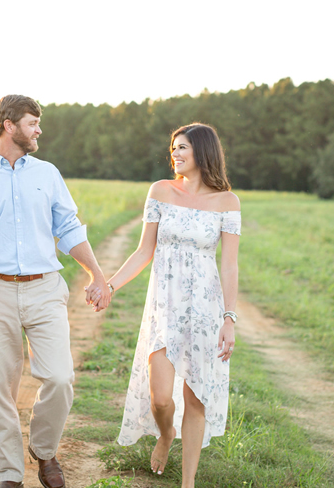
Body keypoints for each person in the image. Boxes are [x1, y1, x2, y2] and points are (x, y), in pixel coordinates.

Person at [0, 94, 111, 488]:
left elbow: (68, 229)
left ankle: (44, 449)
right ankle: (8, 476)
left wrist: (97, 275)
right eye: (33, 123)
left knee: (59, 377)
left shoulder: (47, 174)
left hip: (44, 289)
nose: (39, 130)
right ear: (7, 125)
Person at [106, 123, 240, 488]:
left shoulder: (227, 202)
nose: (175, 154)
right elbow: (143, 251)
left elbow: (229, 265)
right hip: (164, 306)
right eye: (173, 148)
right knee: (160, 397)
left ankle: (188, 482)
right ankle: (165, 435)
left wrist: (229, 318)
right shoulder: (161, 191)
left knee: (195, 398)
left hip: (205, 310)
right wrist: (111, 285)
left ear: (203, 152)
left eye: (182, 148)